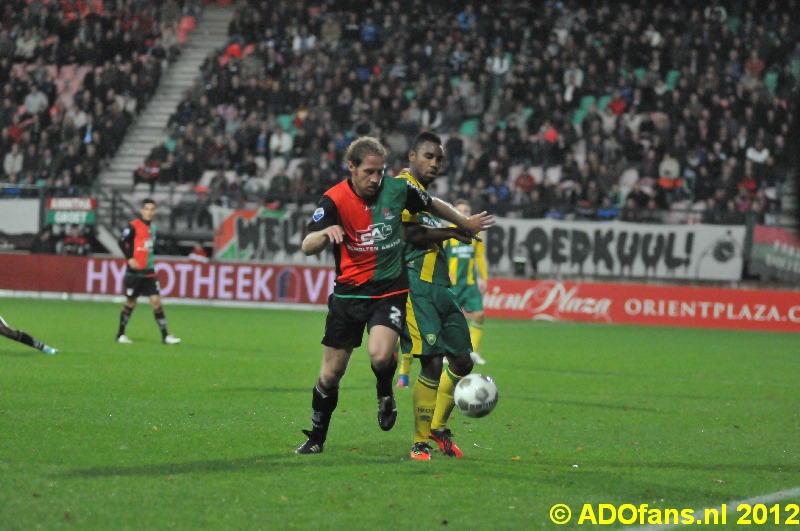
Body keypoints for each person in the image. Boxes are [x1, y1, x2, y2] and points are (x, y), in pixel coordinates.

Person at [295, 136, 492, 455]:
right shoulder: (334, 199)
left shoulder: (397, 189)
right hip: (349, 295)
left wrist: (464, 222)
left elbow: (432, 204)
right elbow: (307, 245)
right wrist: (324, 235)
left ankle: (388, 396)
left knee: (384, 356)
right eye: (369, 172)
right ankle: (317, 437)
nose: (376, 178)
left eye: (380, 171)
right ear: (352, 168)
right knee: (330, 374)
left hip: (389, 292)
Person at [397, 132, 488, 461]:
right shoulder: (400, 188)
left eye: (439, 158)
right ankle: (419, 441)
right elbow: (408, 233)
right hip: (416, 287)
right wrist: (454, 230)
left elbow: (433, 216)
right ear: (411, 156)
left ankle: (437, 426)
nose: (434, 163)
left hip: (442, 289)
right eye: (428, 156)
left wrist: (459, 225)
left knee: (462, 361)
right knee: (432, 361)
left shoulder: (423, 197)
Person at [115, 198, 181, 345]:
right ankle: (120, 334)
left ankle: (165, 336)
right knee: (131, 302)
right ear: (142, 210)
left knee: (156, 302)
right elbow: (121, 241)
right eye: (147, 209)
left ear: (155, 211)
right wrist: (130, 258)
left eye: (152, 209)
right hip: (135, 273)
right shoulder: (133, 226)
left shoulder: (153, 229)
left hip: (150, 272)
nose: (149, 212)